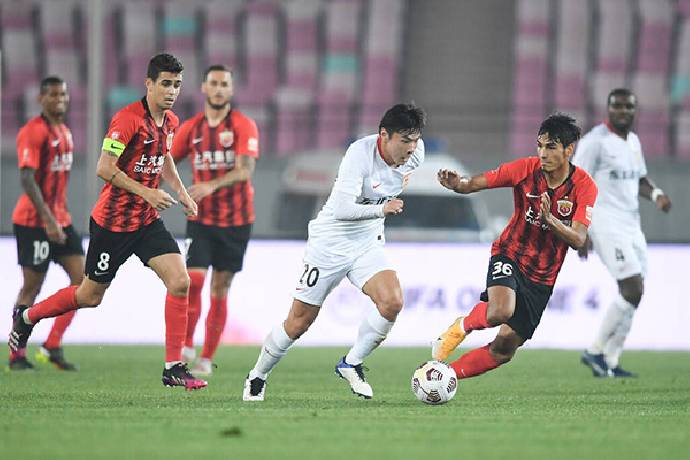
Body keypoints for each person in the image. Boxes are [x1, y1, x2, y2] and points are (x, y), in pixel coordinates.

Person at [8, 53, 207, 390]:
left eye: (176, 85)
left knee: (180, 281)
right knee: (89, 296)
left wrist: (183, 193)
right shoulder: (127, 119)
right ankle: (27, 318)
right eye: (165, 84)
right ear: (149, 84)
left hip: (145, 222)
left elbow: (164, 157)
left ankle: (173, 367)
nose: (172, 91)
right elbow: (103, 168)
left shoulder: (171, 122)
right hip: (112, 225)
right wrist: (147, 192)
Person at [243, 103, 426, 401]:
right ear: (384, 136)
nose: (411, 148)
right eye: (404, 141)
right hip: (330, 242)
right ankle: (257, 376)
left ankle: (351, 363)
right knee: (298, 322)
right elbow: (341, 208)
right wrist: (382, 207)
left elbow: (398, 178)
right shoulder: (358, 154)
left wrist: (389, 194)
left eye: (415, 140)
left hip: (367, 242)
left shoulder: (416, 154)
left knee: (392, 301)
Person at [432, 114, 598, 380]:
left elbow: (578, 239)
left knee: (504, 349)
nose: (543, 153)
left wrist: (551, 220)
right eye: (540, 145)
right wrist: (458, 184)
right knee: (500, 311)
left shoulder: (584, 186)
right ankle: (460, 328)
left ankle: (444, 377)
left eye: (551, 147)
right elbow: (477, 182)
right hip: (510, 252)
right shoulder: (525, 169)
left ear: (569, 150)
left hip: (543, 276)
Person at [573, 88, 671, 378]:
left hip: (632, 225)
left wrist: (657, 195)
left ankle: (611, 361)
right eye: (617, 106)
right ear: (608, 109)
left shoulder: (633, 142)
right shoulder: (594, 142)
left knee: (635, 292)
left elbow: (639, 178)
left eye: (629, 107)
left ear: (635, 110)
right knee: (632, 287)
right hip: (605, 224)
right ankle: (595, 351)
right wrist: (581, 229)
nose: (623, 112)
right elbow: (576, 183)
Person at [171, 64, 259, 376]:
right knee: (192, 280)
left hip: (236, 220)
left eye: (225, 83)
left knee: (220, 287)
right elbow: (166, 160)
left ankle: (206, 357)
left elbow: (245, 169)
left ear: (231, 90)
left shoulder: (243, 126)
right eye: (214, 83)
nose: (219, 88)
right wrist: (178, 191)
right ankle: (184, 344)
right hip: (202, 219)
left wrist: (209, 185)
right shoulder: (192, 129)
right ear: (205, 89)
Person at [9, 76, 83, 371]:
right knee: (32, 287)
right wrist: (49, 220)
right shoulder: (32, 132)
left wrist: (59, 218)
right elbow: (27, 178)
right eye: (53, 95)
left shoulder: (65, 131)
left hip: (60, 221)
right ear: (41, 99)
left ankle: (52, 344)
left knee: (85, 282)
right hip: (33, 223)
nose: (59, 100)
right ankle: (17, 354)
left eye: (63, 95)